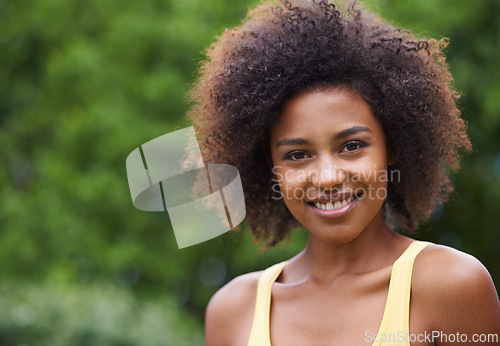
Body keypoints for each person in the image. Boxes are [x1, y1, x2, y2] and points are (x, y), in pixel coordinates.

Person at [188, 0, 500, 344]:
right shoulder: (233, 311)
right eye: (297, 154)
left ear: (392, 145)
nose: (327, 177)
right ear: (270, 167)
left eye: (351, 146)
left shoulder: (451, 286)